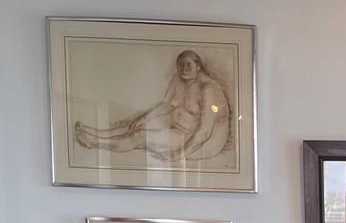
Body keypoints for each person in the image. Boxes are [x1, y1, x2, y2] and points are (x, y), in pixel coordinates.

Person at [74, 50, 232, 163]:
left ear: (198, 66)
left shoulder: (209, 90)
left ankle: (94, 142)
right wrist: (145, 118)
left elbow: (205, 132)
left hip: (201, 143)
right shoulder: (179, 80)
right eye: (181, 65)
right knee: (135, 125)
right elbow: (167, 105)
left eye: (188, 65)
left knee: (139, 136)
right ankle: (96, 133)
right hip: (183, 126)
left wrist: (178, 154)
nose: (184, 69)